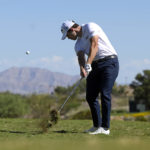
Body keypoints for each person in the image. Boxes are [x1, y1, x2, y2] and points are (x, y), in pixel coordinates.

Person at [61, 20, 119, 135]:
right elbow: (80, 57)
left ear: (72, 30)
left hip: (109, 62)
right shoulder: (77, 44)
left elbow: (94, 45)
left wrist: (88, 63)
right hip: (95, 65)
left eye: (67, 35)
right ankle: (97, 125)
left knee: (105, 93)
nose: (67, 38)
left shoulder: (90, 26)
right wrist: (82, 68)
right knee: (90, 96)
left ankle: (105, 128)